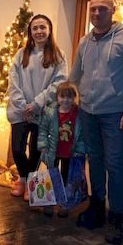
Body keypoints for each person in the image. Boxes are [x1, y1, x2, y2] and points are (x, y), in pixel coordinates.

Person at [69, 0, 123, 245]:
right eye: (93, 9)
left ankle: (116, 218)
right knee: (95, 161)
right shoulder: (85, 42)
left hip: (114, 114)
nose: (96, 13)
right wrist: (68, 100)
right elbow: (75, 75)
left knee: (114, 165)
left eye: (102, 8)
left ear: (113, 10)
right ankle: (97, 208)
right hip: (87, 112)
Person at [6, 14, 67, 200]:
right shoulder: (21, 54)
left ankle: (28, 183)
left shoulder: (58, 55)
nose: (39, 31)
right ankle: (23, 178)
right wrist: (22, 104)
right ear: (30, 32)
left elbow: (59, 83)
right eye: (35, 28)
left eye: (43, 27)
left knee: (35, 150)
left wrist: (37, 103)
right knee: (17, 149)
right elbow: (13, 81)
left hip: (42, 111)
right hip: (20, 111)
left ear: (49, 30)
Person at [37, 81, 85, 217]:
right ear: (57, 97)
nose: (66, 100)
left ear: (74, 97)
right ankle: (49, 203)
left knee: (66, 179)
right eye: (62, 96)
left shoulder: (78, 114)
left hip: (70, 154)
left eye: (69, 97)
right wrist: (43, 145)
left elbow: (82, 135)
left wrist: (80, 150)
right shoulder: (50, 112)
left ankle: (64, 204)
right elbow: (43, 130)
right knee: (51, 178)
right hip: (53, 152)